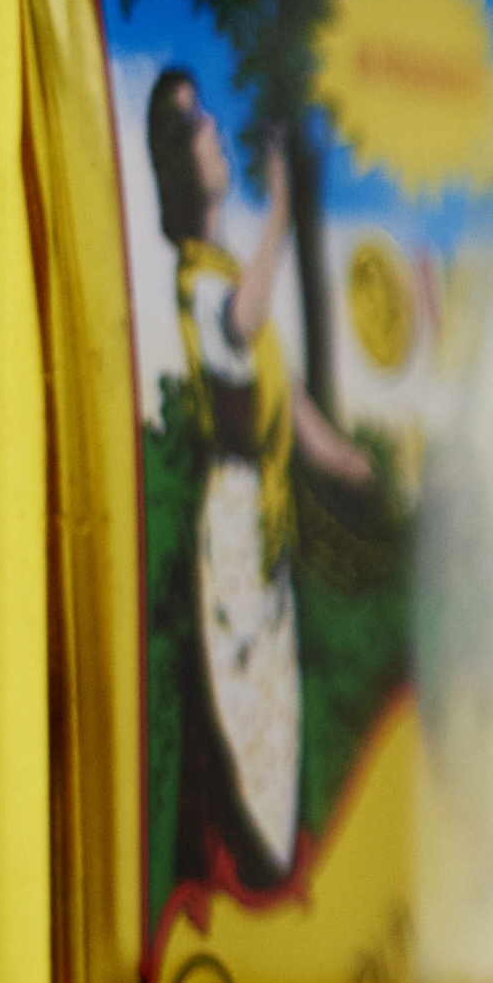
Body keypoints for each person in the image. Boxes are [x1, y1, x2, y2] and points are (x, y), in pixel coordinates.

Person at [143, 68, 365, 880]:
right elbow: (246, 319)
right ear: (177, 165)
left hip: (266, 531)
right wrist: (279, 206)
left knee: (280, 711)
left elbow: (299, 414)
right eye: (190, 124)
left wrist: (364, 473)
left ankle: (279, 880)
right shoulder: (202, 282)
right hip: (233, 527)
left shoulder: (231, 274)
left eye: (207, 116)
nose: (209, 130)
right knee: (246, 711)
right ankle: (251, 885)